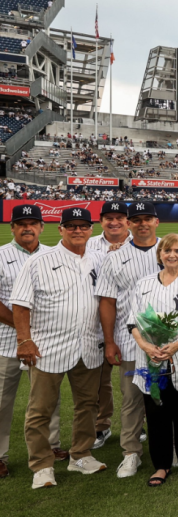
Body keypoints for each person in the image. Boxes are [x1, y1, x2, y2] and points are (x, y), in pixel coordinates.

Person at [13, 206, 107, 489]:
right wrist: (24, 340)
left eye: (83, 226)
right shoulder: (40, 260)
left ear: (92, 230)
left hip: (88, 344)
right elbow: (20, 304)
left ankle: (80, 454)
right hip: (47, 347)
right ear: (60, 229)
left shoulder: (100, 259)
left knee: (88, 405)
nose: (77, 230)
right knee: (40, 409)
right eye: (71, 226)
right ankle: (41, 466)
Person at [127, 234, 178, 486]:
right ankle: (161, 464)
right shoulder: (144, 283)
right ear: (159, 254)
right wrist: (145, 345)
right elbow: (133, 321)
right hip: (151, 357)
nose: (172, 255)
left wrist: (177, 344)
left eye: (177, 250)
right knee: (156, 414)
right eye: (166, 250)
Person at [95, 200, 161, 479]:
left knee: (166, 396)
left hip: (170, 341)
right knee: (133, 398)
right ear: (130, 224)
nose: (142, 223)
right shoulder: (114, 257)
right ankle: (131, 452)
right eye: (137, 219)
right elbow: (107, 302)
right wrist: (110, 341)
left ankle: (165, 448)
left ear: (157, 222)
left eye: (148, 218)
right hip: (129, 338)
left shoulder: (171, 250)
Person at [0, 205, 66, 479]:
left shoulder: (54, 255)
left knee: (48, 398)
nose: (27, 228)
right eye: (21, 223)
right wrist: (23, 328)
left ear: (42, 227)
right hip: (5, 342)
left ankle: (51, 445)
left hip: (46, 342)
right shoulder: (1, 255)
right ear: (12, 227)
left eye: (33, 223)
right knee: (2, 401)